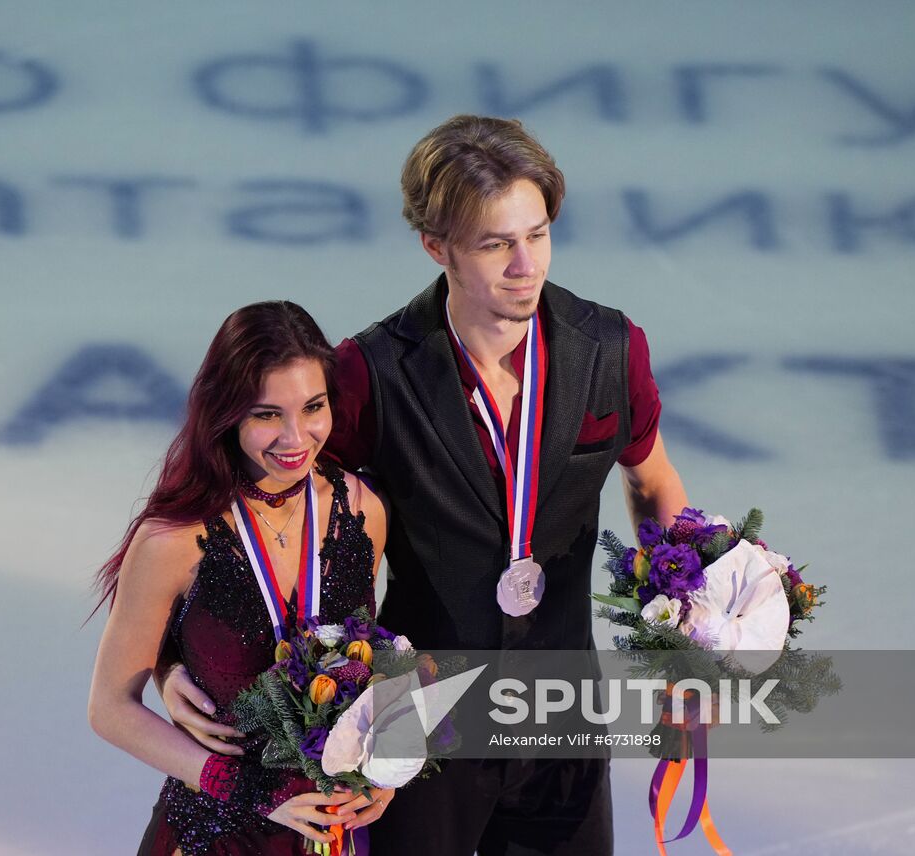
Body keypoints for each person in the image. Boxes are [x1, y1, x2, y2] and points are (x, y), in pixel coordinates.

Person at [163, 116, 691, 855]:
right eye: (494, 243)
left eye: (537, 235)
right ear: (436, 246)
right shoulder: (370, 371)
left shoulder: (610, 348)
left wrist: (685, 641)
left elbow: (653, 481)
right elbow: (281, 521)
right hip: (413, 724)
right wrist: (175, 658)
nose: (524, 265)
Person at [87, 301, 393, 855]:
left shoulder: (362, 509)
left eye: (313, 407)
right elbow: (110, 709)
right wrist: (245, 787)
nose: (295, 437)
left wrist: (389, 769)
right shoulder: (172, 538)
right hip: (219, 831)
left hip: (334, 833)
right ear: (226, 414)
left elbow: (376, 658)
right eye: (267, 414)